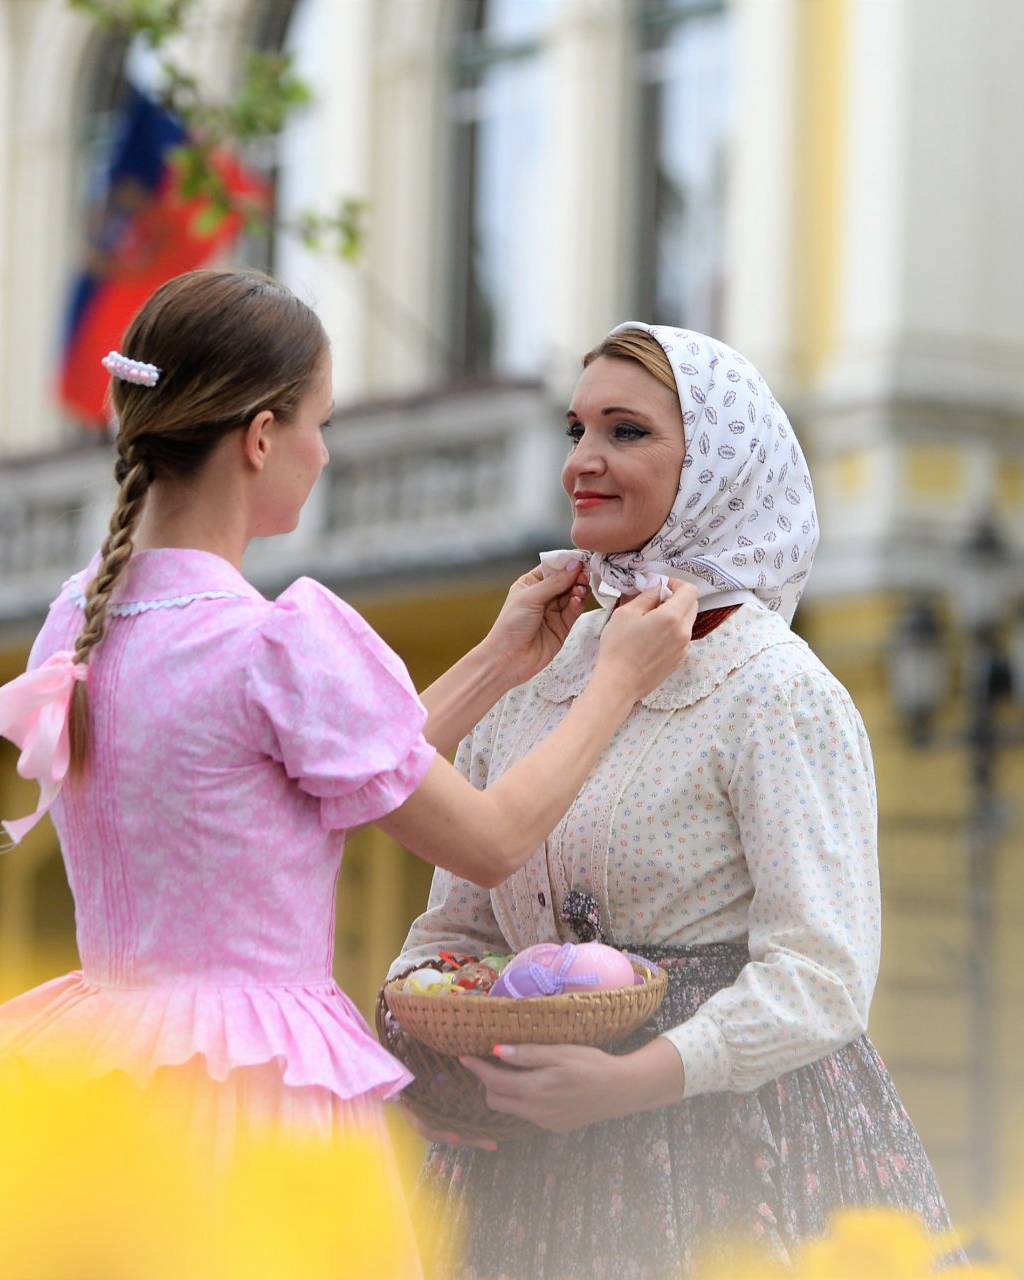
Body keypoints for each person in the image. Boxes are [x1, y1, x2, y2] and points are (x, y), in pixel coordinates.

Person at [0, 272, 696, 1172]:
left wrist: (500, 660)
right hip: (249, 1092)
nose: (326, 454)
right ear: (263, 437)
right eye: (322, 425)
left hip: (107, 1075)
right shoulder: (277, 642)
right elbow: (490, 840)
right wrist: (617, 680)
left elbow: (303, 769)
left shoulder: (79, 619)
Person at [384, 323, 960, 1278]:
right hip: (518, 1168)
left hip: (730, 1164)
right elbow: (455, 928)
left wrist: (630, 1082)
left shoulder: (777, 690)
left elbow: (822, 975)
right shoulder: (537, 671)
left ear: (718, 468)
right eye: (576, 431)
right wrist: (432, 1052)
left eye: (626, 432)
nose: (583, 462)